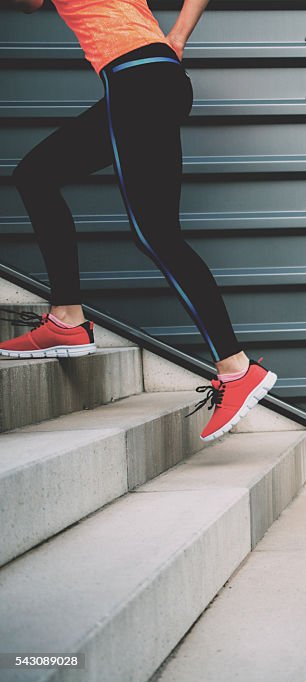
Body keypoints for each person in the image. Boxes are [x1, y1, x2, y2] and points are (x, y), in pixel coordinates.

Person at [0, 0, 276, 441]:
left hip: (135, 79)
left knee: (155, 234)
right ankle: (67, 319)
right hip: (155, 74)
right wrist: (179, 36)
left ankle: (236, 367)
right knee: (36, 176)